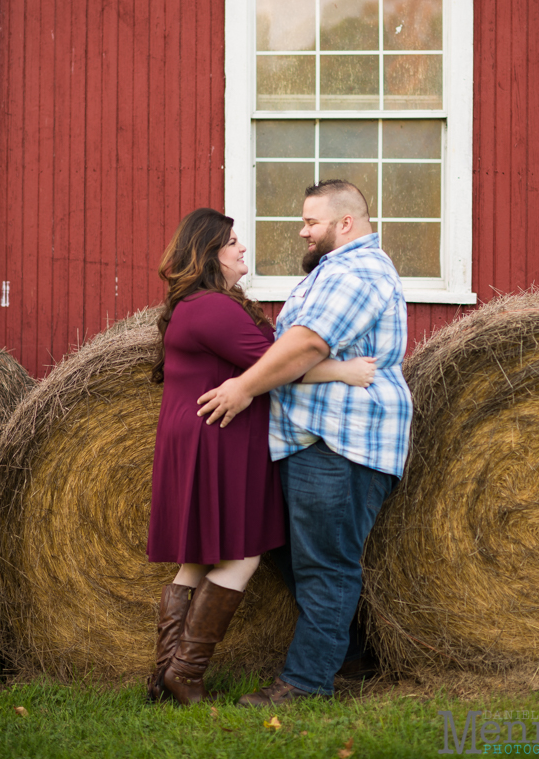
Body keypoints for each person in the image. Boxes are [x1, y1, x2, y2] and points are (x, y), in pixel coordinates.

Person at [146, 207, 377, 706]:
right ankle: (185, 673)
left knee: (194, 561)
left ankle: (165, 673)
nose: (241, 248)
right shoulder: (213, 307)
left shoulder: (193, 304)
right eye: (232, 243)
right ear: (210, 253)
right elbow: (279, 364)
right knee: (242, 552)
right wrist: (341, 371)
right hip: (221, 439)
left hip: (197, 436)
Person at [197, 180, 413, 704]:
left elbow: (307, 342)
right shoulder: (329, 273)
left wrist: (244, 388)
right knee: (293, 556)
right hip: (308, 441)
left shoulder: (357, 270)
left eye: (312, 222)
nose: (303, 231)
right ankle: (353, 657)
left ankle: (305, 684)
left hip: (338, 441)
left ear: (346, 223)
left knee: (323, 565)